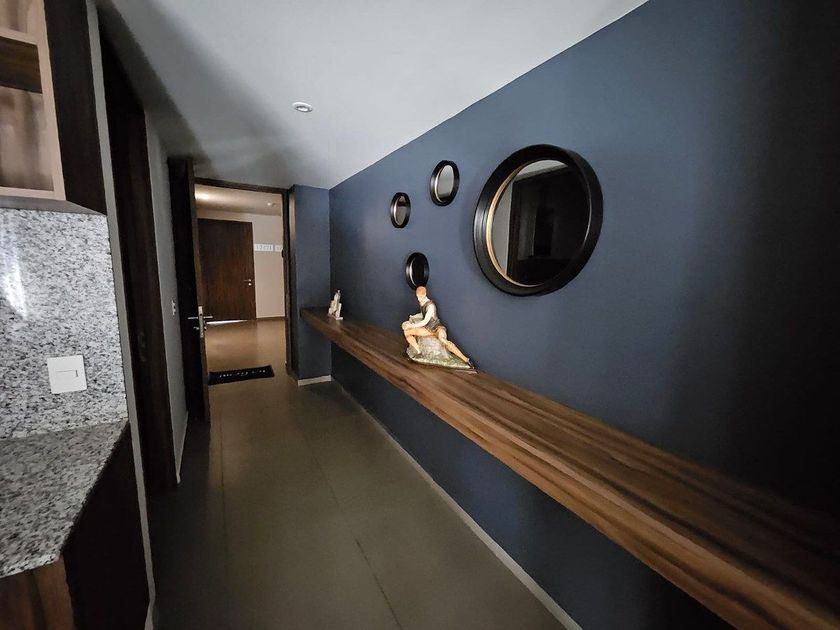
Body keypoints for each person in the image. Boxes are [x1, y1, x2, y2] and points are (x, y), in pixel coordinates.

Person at [401, 286, 471, 364]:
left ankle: (465, 359)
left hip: (437, 328)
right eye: (417, 297)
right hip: (428, 329)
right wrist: (412, 317)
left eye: (420, 297)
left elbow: (425, 321)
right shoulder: (422, 302)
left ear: (425, 294)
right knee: (407, 332)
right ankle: (419, 351)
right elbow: (422, 314)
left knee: (443, 340)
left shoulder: (430, 306)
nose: (419, 299)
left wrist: (411, 325)